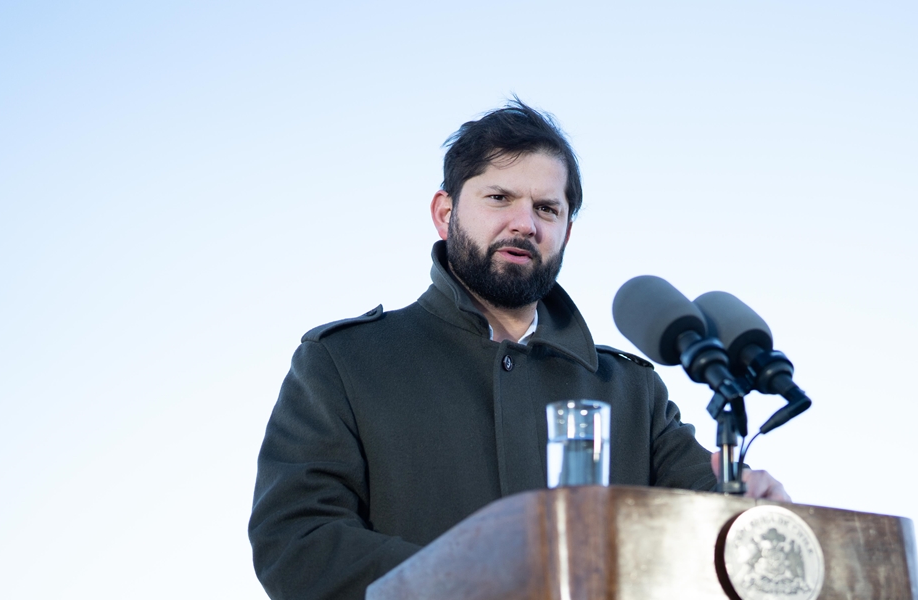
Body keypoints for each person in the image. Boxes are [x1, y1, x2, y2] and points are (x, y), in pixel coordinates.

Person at [248, 100, 788, 600]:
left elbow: (708, 528)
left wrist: (747, 505)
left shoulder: (632, 390)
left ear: (566, 233)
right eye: (499, 198)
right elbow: (297, 542)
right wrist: (476, 578)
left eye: (547, 209)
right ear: (444, 212)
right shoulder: (345, 362)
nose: (525, 224)